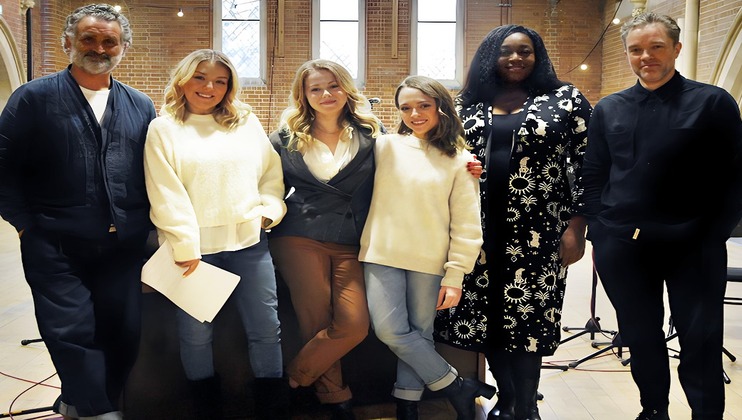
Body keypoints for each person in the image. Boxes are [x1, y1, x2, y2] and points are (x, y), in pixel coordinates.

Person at [580, 12, 742, 420]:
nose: (645, 56)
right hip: (624, 247)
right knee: (642, 337)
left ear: (676, 49)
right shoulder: (610, 109)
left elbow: (735, 175)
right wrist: (599, 229)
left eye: (656, 47)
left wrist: (713, 233)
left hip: (693, 247)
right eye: (636, 49)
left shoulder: (713, 102)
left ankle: (707, 415)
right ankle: (653, 411)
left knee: (700, 341)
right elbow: (595, 173)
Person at [0, 4, 155, 419]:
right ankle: (95, 410)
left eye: (110, 41)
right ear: (68, 42)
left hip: (122, 244)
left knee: (123, 332)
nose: (99, 48)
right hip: (54, 241)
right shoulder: (32, 98)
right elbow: (3, 168)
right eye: (89, 38)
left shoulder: (140, 105)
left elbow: (153, 172)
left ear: (124, 48)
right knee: (71, 330)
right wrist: (26, 226)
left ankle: (81, 400)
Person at [434, 25, 593, 420]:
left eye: (526, 51)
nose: (516, 58)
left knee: (529, 318)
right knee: (489, 319)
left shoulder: (565, 99)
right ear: (490, 56)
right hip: (477, 231)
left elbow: (588, 163)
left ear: (538, 56)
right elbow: (438, 158)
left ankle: (525, 407)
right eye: (506, 51)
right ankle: (507, 400)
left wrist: (577, 226)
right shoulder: (466, 103)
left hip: (538, 232)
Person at [143, 49, 288, 420]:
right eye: (200, 78)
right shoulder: (163, 128)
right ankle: (206, 410)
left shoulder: (245, 122)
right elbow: (165, 193)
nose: (210, 87)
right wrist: (185, 244)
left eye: (220, 81)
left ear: (230, 86)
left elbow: (271, 175)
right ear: (183, 80)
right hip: (194, 252)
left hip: (250, 245)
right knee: (195, 335)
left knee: (265, 331)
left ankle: (271, 410)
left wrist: (268, 214)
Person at [359, 75, 494, 420]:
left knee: (420, 333)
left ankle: (407, 405)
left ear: (440, 107)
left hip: (429, 260)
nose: (414, 114)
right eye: (406, 107)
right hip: (381, 253)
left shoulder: (460, 159)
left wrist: (455, 274)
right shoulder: (384, 146)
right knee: (390, 330)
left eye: (423, 105)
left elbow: (467, 223)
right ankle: (456, 385)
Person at [268, 59, 381, 420]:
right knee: (315, 318)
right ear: (303, 95)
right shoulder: (283, 138)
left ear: (346, 88)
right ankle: (336, 399)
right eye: (315, 88)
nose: (326, 94)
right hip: (299, 236)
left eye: (333, 86)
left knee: (354, 324)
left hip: (351, 240)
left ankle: (291, 381)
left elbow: (411, 167)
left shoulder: (372, 135)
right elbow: (263, 184)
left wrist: (462, 165)